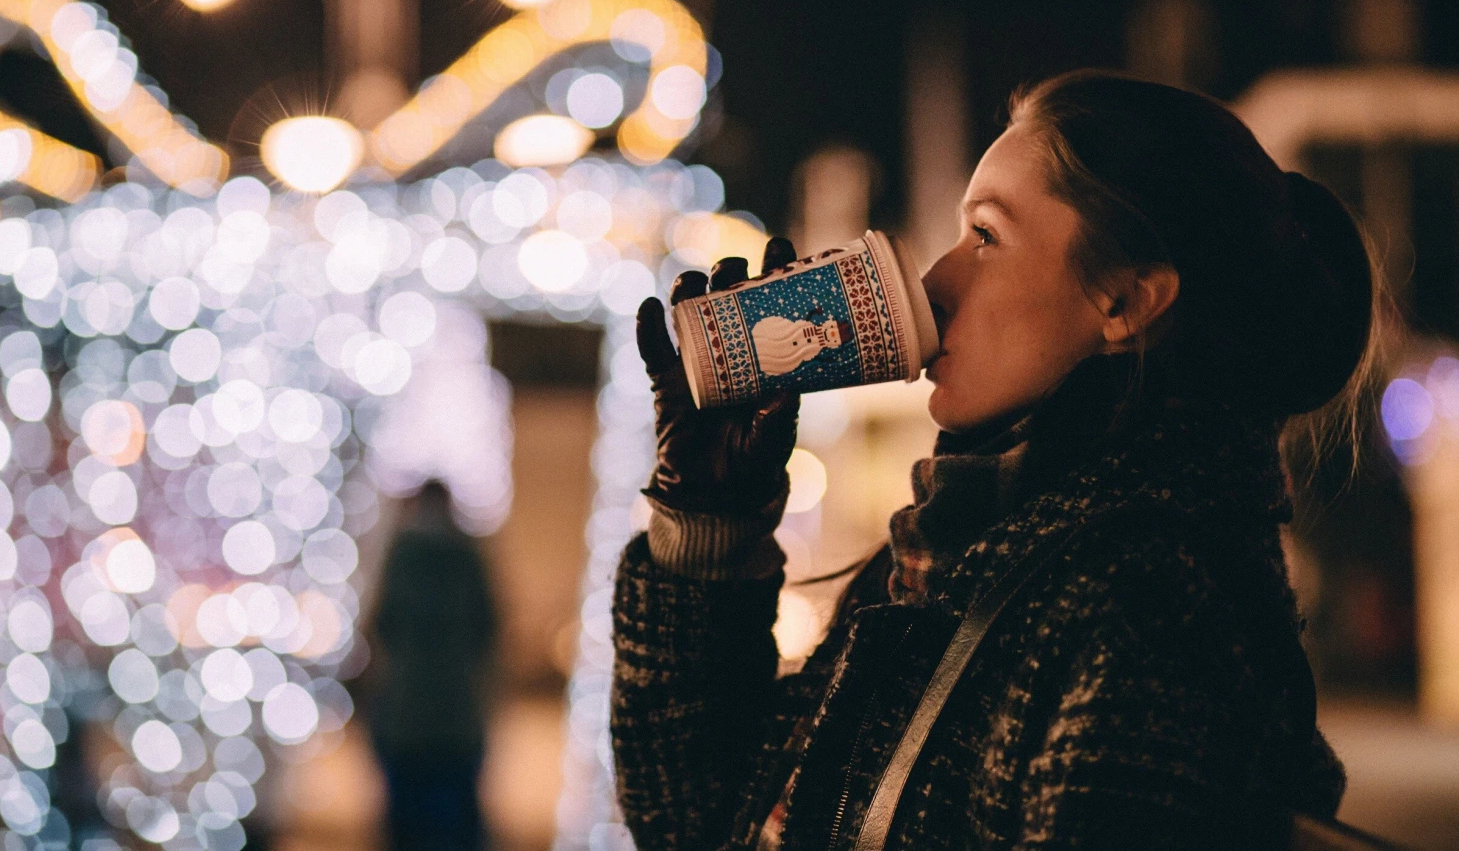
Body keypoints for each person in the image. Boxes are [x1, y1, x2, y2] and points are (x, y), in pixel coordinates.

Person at [611, 70, 1378, 849]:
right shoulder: (958, 552)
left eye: (986, 236)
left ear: (1126, 301)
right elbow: (696, 817)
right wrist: (710, 520)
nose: (936, 281)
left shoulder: (1150, 608)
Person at [368, 479, 498, 851]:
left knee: (414, 820)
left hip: (416, 714)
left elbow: (383, 624)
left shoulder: (405, 556)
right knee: (449, 820)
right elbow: (487, 626)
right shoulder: (463, 556)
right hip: (449, 714)